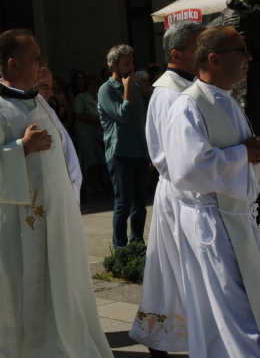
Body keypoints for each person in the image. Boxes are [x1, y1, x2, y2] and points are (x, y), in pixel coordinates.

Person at [0, 29, 113, 358]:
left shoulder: (37, 100)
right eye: (35, 58)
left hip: (55, 223)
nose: (44, 63)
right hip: (17, 234)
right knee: (23, 299)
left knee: (62, 290)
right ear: (14, 63)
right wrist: (21, 149)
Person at [164, 26, 260, 357]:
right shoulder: (189, 105)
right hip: (213, 226)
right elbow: (186, 170)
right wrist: (242, 155)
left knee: (241, 311)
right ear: (215, 59)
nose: (249, 58)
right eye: (241, 51)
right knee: (235, 317)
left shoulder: (226, 100)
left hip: (235, 219)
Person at [129, 20, 205, 358]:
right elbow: (175, 156)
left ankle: (175, 337)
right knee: (177, 274)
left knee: (178, 274)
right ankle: (167, 338)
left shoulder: (188, 86)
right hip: (182, 194)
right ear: (176, 53)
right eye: (198, 46)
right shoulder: (171, 93)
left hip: (190, 192)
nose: (205, 52)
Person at [98, 44, 149, 249]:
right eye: (126, 63)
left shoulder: (135, 87)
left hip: (140, 154)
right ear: (114, 66)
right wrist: (127, 88)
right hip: (120, 154)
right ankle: (120, 250)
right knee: (123, 204)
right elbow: (124, 116)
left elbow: (142, 121)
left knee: (140, 204)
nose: (131, 66)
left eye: (132, 62)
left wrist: (149, 153)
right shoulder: (106, 90)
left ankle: (137, 245)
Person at [38, 67, 82, 201]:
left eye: (52, 87)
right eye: (44, 86)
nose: (50, 93)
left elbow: (66, 149)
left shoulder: (49, 111)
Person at [75, 74, 105, 194]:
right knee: (87, 160)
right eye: (91, 84)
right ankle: (86, 183)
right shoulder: (81, 97)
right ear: (87, 86)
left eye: (96, 84)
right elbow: (78, 114)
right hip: (85, 133)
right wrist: (95, 120)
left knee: (98, 159)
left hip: (98, 132)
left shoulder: (100, 96)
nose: (94, 87)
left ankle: (96, 181)